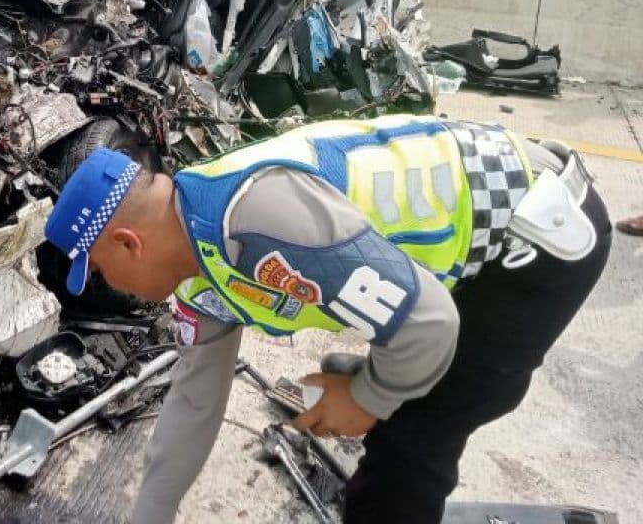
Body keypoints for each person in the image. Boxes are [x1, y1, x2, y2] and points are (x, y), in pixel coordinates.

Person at [43, 114, 611, 524]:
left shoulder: (257, 220)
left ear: (129, 243)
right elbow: (193, 402)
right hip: (473, 248)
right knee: (392, 378)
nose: (113, 287)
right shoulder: (193, 261)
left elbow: (431, 324)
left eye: (102, 271)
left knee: (414, 439)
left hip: (535, 239)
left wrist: (367, 399)